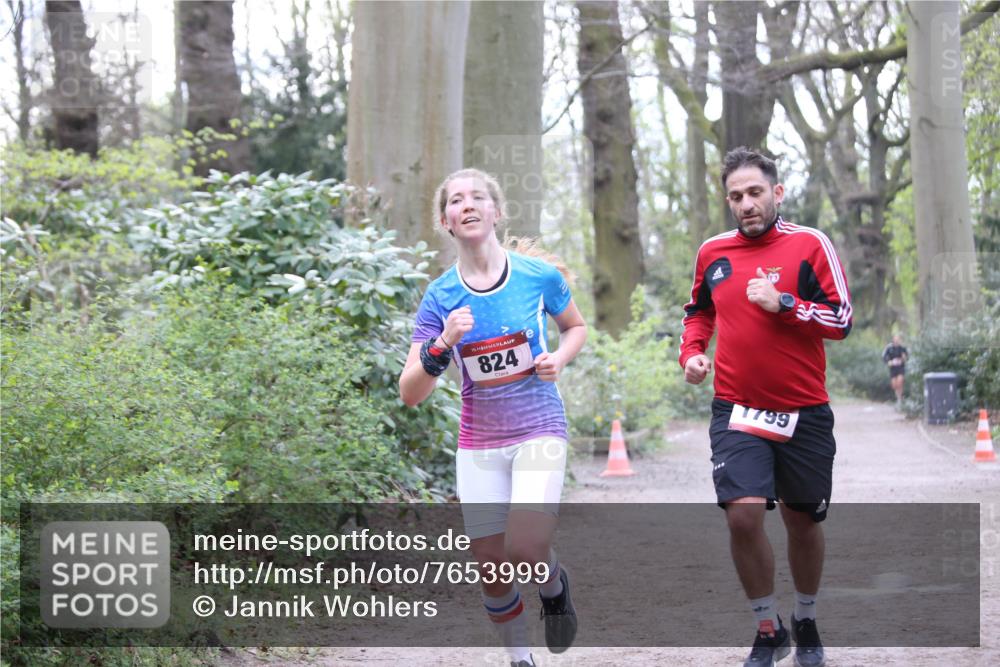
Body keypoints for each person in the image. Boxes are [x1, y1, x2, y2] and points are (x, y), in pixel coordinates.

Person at [399, 168, 587, 667]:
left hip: (539, 427)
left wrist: (559, 359)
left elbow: (575, 327)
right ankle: (519, 659)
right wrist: (442, 345)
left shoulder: (537, 277)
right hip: (480, 442)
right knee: (493, 569)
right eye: (456, 200)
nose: (468, 204)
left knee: (526, 546)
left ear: (496, 212)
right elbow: (410, 391)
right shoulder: (441, 298)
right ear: (447, 221)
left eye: (478, 197)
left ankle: (553, 585)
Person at [679, 147, 852, 667]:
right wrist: (691, 354)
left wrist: (788, 306)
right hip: (737, 409)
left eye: (755, 193)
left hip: (805, 410)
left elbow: (841, 320)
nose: (746, 204)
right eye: (736, 196)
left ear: (776, 193)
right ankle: (767, 625)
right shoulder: (713, 252)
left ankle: (805, 617)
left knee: (802, 522)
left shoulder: (809, 245)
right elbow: (698, 313)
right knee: (743, 517)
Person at [882, 334, 909, 406]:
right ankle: (898, 397)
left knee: (900, 381)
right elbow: (884, 357)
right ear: (893, 339)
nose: (897, 340)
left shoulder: (903, 348)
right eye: (895, 339)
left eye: (898, 339)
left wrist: (904, 358)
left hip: (900, 368)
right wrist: (888, 362)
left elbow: (907, 357)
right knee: (894, 385)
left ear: (900, 340)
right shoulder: (889, 348)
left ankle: (900, 399)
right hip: (893, 368)